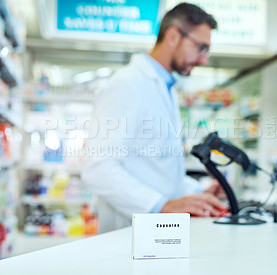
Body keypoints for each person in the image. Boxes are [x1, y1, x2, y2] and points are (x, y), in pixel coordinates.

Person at [81, 3, 227, 233]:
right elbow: (98, 168)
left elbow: (157, 170)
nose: (203, 60)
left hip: (158, 237)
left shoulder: (166, 88)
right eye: (201, 48)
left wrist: (199, 193)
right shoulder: (127, 85)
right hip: (127, 236)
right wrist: (161, 206)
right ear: (172, 36)